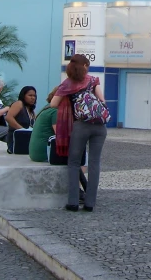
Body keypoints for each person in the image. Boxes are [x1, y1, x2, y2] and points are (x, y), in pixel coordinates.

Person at [50, 54, 107, 212]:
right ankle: (90, 204)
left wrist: (69, 102)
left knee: (74, 162)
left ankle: (73, 202)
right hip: (100, 126)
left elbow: (53, 104)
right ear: (85, 67)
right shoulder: (93, 80)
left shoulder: (67, 84)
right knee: (95, 162)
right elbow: (102, 101)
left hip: (81, 125)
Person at [30, 87, 88, 202]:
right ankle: (79, 190)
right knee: (79, 157)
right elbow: (61, 135)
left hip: (36, 151)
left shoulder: (46, 108)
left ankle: (82, 190)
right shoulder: (56, 112)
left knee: (75, 156)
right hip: (43, 153)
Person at [5, 86, 37, 153]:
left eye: (34, 96)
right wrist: (22, 130)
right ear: (23, 96)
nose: (33, 98)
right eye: (30, 95)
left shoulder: (32, 111)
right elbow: (8, 118)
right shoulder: (19, 104)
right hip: (15, 141)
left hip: (27, 140)